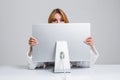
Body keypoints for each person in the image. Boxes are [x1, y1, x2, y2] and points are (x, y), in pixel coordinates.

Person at [28, 8, 99, 69]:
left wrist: (91, 46)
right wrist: (32, 48)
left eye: (62, 20)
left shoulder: (74, 38)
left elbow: (88, 64)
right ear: (50, 23)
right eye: (54, 20)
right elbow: (32, 66)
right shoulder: (43, 39)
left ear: (66, 22)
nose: (58, 23)